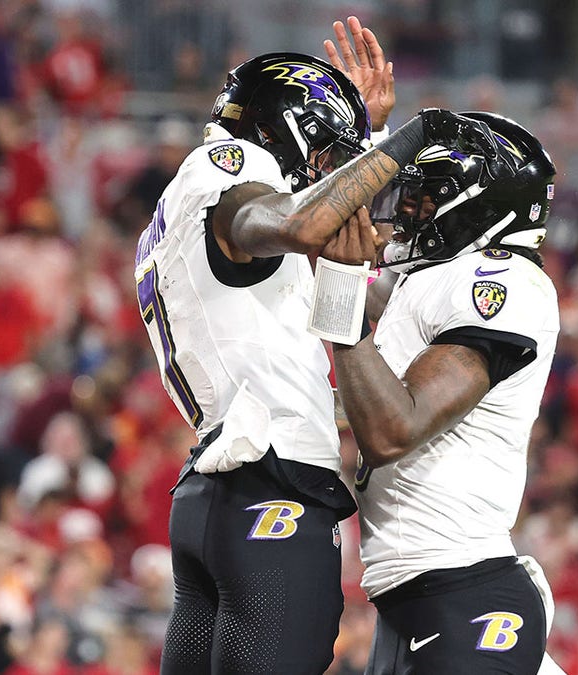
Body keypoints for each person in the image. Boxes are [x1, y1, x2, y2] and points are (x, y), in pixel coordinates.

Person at [134, 15, 511, 673]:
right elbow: (304, 219)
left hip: (219, 493)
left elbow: (334, 278)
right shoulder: (229, 169)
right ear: (286, 133)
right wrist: (413, 137)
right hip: (270, 486)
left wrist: (368, 138)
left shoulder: (189, 213)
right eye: (328, 154)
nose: (333, 172)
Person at [330, 111, 562, 674]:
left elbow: (392, 429)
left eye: (426, 197)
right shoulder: (432, 278)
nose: (408, 211)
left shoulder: (502, 282)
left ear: (482, 205)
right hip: (416, 601)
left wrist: (338, 292)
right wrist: (370, 134)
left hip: (462, 594)